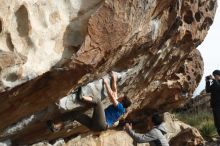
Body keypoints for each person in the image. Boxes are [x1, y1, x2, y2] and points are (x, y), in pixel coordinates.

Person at [48, 71, 131, 132]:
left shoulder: (121, 108)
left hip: (102, 124)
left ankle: (82, 97)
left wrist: (106, 83)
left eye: (121, 97)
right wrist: (114, 78)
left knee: (98, 102)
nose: (119, 97)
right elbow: (114, 90)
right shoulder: (120, 106)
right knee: (75, 114)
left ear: (123, 101)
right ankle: (56, 126)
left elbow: (112, 96)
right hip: (95, 126)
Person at [205, 69, 220, 136]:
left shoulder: (217, 83)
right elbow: (208, 90)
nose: (214, 76)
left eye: (215, 75)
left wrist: (214, 79)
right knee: (217, 123)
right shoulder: (214, 83)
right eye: (213, 75)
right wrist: (207, 82)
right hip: (215, 106)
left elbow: (218, 87)